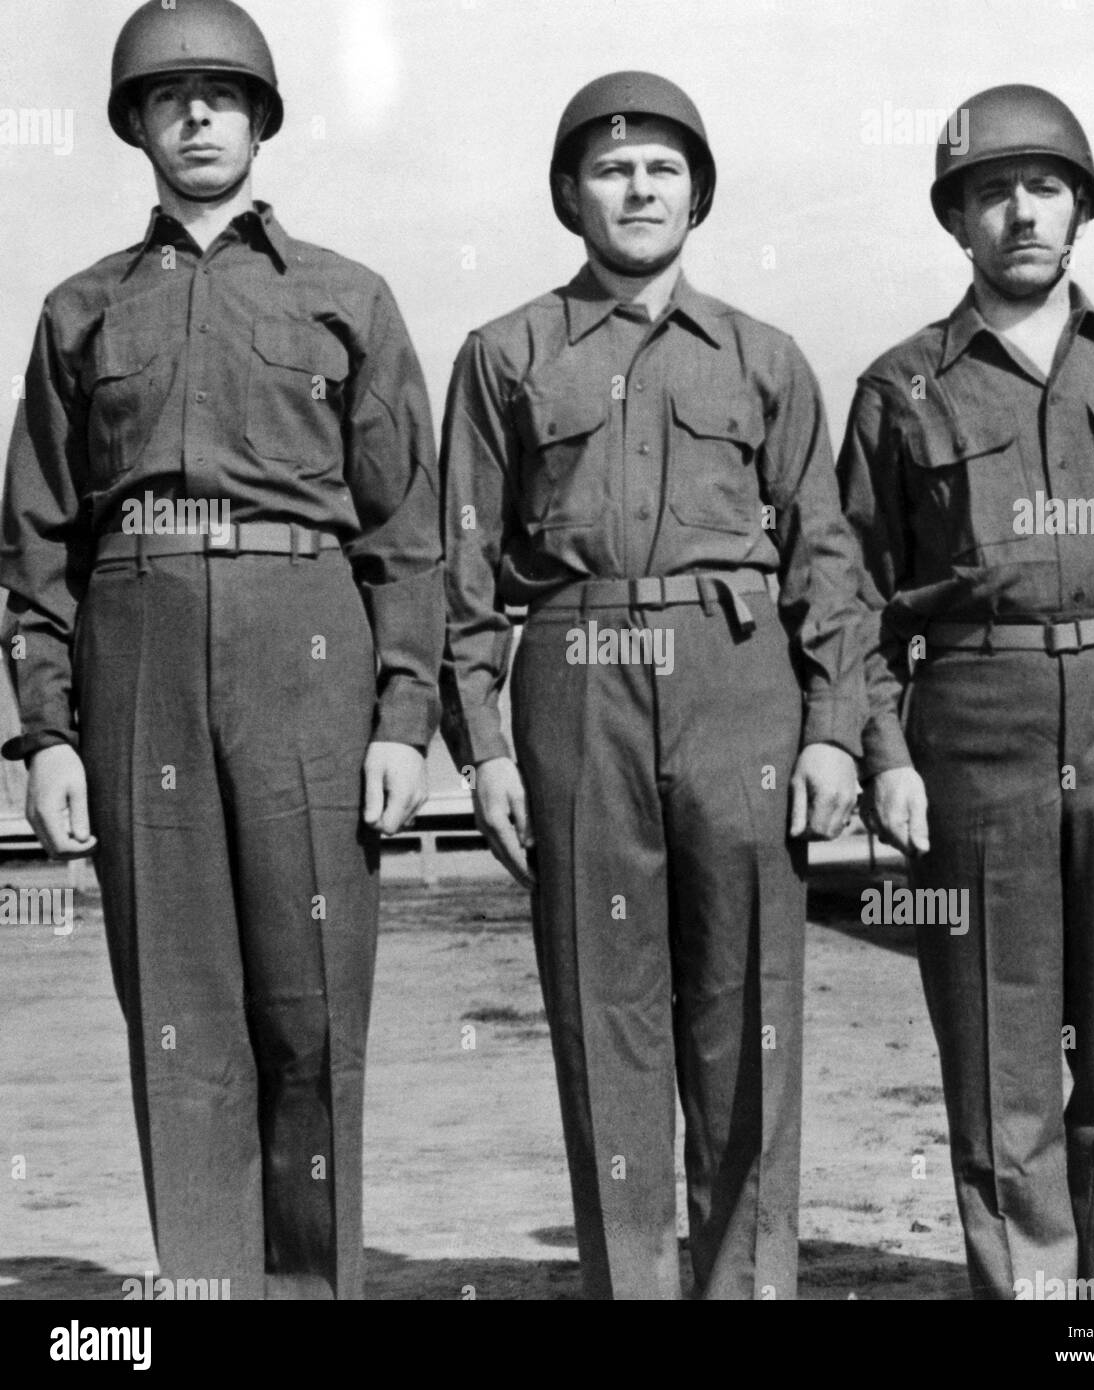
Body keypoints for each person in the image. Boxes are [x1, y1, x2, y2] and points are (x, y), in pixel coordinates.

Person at [0, 0, 442, 1299]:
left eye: (223, 93)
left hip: (306, 650)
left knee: (311, 1016)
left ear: (261, 117)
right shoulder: (81, 310)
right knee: (184, 1015)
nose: (198, 113)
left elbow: (406, 528)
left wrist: (403, 718)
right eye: (170, 95)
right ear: (136, 123)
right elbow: (35, 540)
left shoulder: (346, 296)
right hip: (138, 655)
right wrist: (47, 731)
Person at [439, 71, 866, 1300]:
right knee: (602, 1005)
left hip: (737, 682)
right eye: (612, 169)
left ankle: (745, 1288)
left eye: (663, 169)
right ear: (571, 195)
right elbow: (457, 560)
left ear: (698, 195)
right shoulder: (502, 355)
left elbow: (825, 557)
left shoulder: (765, 359)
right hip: (575, 680)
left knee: (747, 1009)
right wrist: (485, 746)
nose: (638, 188)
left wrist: (833, 732)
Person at [837, 83, 1094, 1300]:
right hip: (976, 719)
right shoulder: (900, 388)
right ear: (956, 219)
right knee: (1001, 1064)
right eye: (991, 192)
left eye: (1045, 186)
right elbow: (855, 590)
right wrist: (882, 752)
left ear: (1081, 209)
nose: (1020, 211)